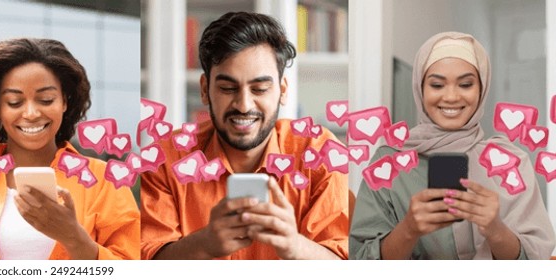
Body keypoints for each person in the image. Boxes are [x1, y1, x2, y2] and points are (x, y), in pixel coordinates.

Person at [139, 12, 349, 260]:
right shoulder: (165, 157)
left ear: (282, 91)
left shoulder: (321, 152)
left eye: (259, 89)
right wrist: (204, 244)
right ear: (205, 90)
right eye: (227, 88)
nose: (243, 104)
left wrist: (295, 246)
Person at [349, 32, 556, 260]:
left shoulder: (510, 162)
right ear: (420, 88)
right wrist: (408, 230)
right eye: (437, 85)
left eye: (465, 84)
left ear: (482, 89)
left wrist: (496, 230)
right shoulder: (388, 164)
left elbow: (536, 263)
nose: (451, 97)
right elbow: (361, 262)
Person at [0, 38, 140, 260]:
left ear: (65, 102)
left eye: (46, 99)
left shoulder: (104, 181)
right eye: (14, 102)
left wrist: (74, 238)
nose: (31, 113)